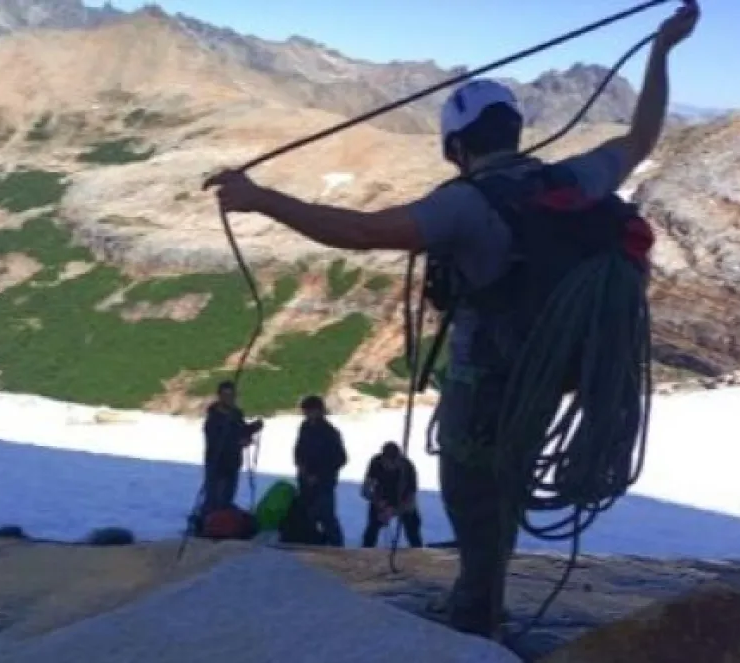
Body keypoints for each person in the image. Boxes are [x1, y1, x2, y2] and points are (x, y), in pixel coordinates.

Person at [205, 2, 699, 640]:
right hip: (545, 377)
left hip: (484, 381)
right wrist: (662, 52)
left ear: (457, 147)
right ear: (514, 131)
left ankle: (476, 616)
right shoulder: (573, 180)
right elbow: (641, 138)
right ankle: (483, 598)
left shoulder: (464, 205)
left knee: (471, 495)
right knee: (507, 487)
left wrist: (260, 198)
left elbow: (361, 231)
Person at [292, 395, 348, 546]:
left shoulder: (330, 433)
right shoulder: (304, 428)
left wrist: (319, 475)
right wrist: (301, 466)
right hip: (305, 480)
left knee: (326, 516)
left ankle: (337, 546)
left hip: (324, 483)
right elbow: (298, 450)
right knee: (307, 515)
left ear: (318, 411)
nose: (306, 414)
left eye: (308, 411)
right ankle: (313, 542)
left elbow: (340, 459)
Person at [201, 380, 263, 514]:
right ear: (220, 396)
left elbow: (241, 431)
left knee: (227, 498)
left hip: (233, 462)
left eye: (232, 395)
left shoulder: (236, 414)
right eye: (226, 395)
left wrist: (253, 428)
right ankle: (208, 520)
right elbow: (217, 440)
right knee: (214, 499)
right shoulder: (214, 417)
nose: (230, 398)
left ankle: (223, 520)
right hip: (217, 463)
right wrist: (238, 442)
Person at [361, 442, 423, 548]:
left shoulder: (408, 468)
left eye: (393, 462)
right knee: (371, 530)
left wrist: (394, 510)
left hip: (403, 500)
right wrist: (378, 502)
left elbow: (411, 500)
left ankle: (417, 551)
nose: (390, 465)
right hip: (382, 499)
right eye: (387, 461)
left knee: (413, 528)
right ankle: (366, 551)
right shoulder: (376, 463)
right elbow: (365, 490)